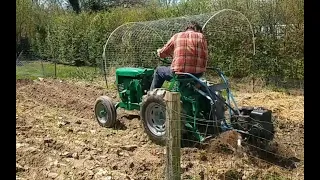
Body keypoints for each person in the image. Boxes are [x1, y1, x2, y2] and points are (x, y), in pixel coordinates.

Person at [149, 21, 208, 91]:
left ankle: (151, 95)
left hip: (179, 74)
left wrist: (159, 51)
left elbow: (162, 54)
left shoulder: (177, 36)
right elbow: (205, 56)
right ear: (198, 30)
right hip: (197, 74)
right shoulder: (201, 37)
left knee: (159, 71)